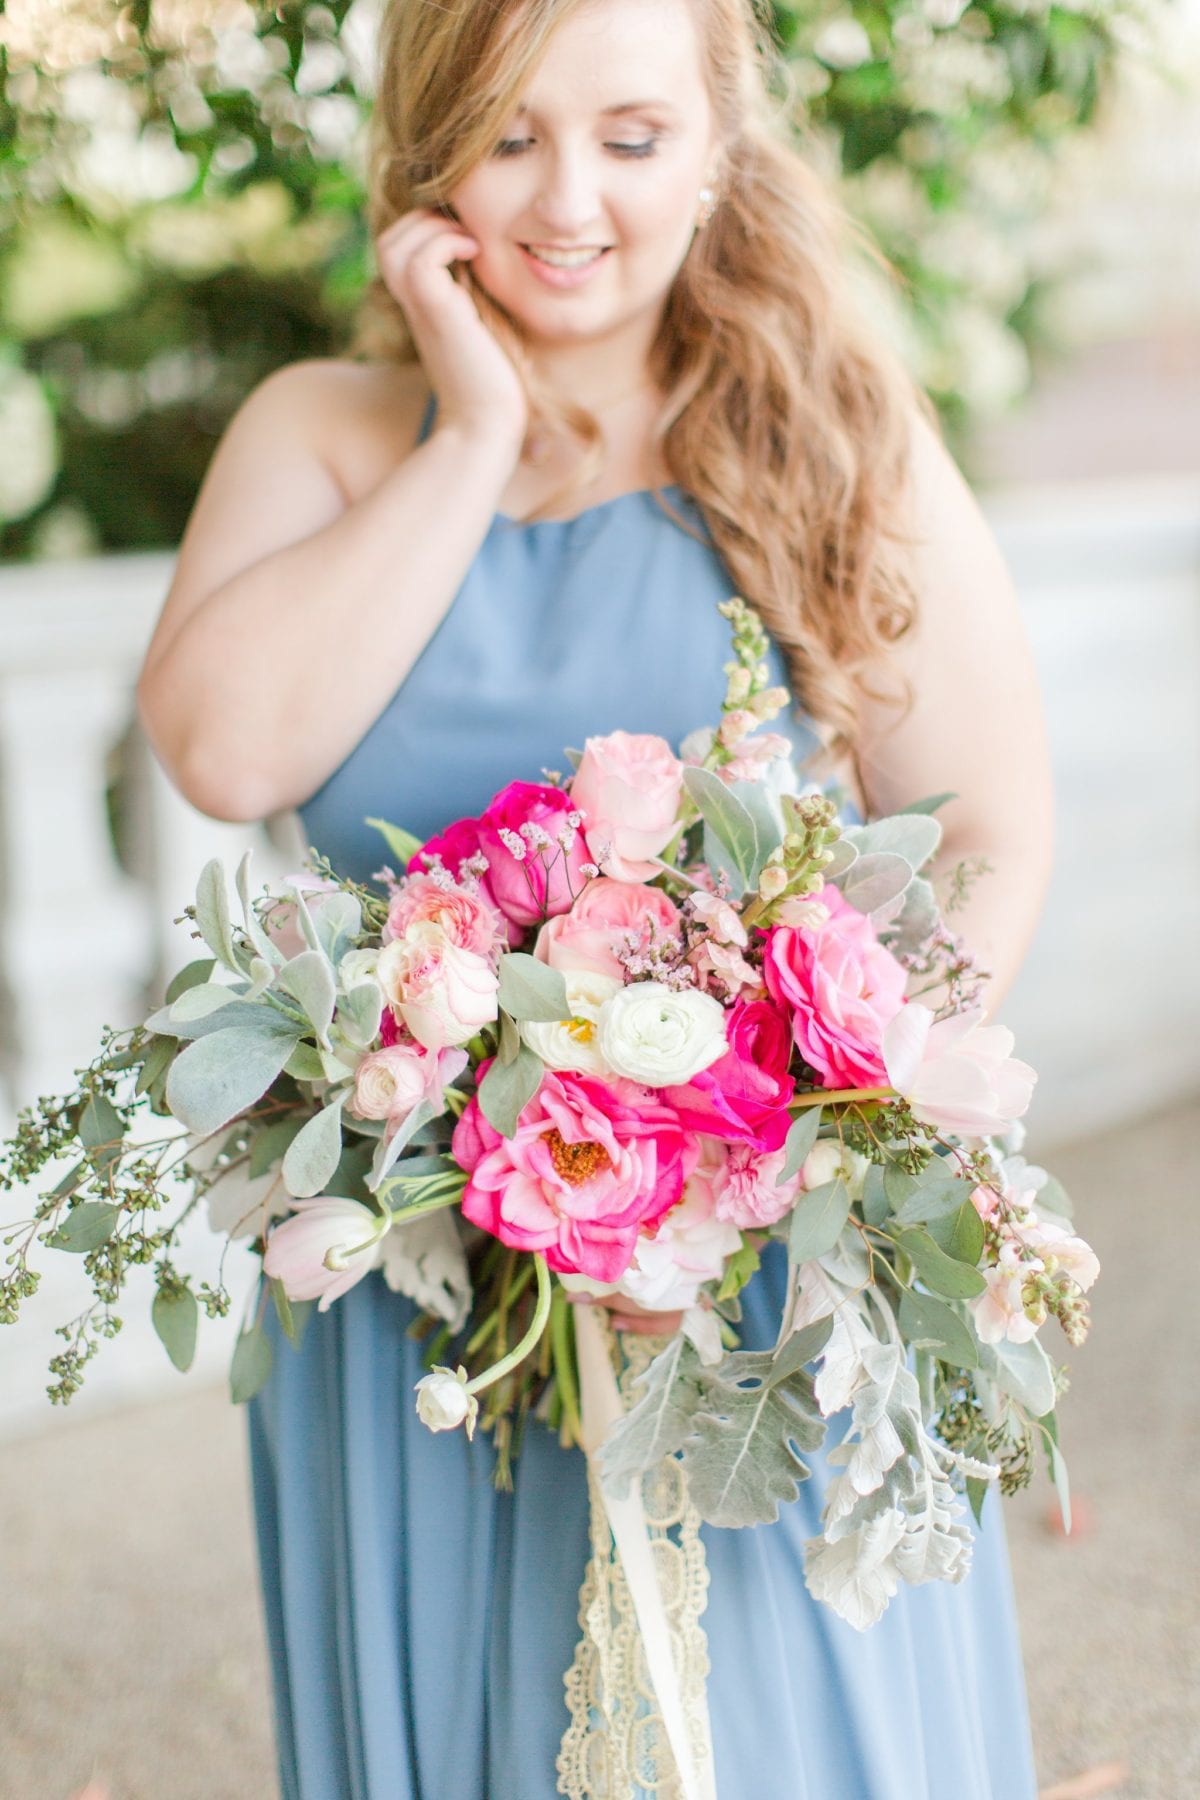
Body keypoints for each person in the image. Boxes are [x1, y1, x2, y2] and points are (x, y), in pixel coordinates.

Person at [136, 0, 1053, 1794]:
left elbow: (988, 838)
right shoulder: (329, 434)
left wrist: (803, 1157)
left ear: (717, 149)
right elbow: (226, 756)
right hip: (413, 1310)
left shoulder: (830, 436)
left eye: (632, 137)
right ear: (427, 155)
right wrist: (473, 430)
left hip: (750, 1295)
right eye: (510, 136)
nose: (571, 200)